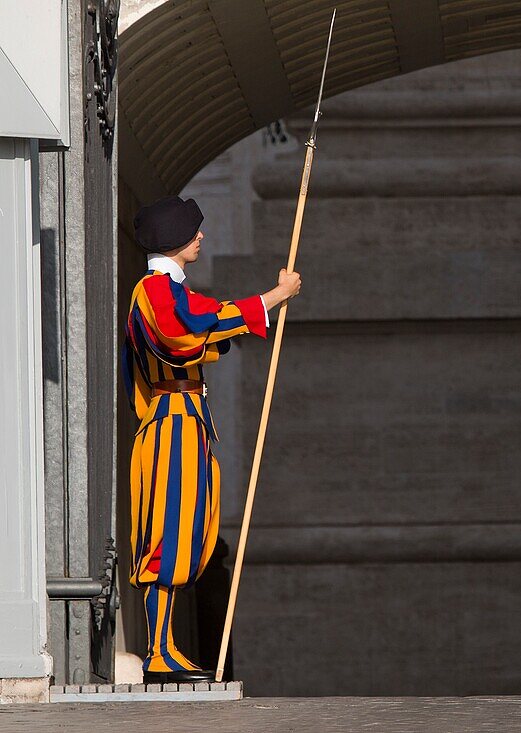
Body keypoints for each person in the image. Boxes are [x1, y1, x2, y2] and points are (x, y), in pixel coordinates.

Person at [122, 195, 301, 683]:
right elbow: (193, 326)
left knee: (186, 537)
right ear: (175, 240)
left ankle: (166, 646)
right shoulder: (155, 291)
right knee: (168, 536)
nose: (201, 236)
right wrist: (272, 297)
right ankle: (159, 651)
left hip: (186, 422)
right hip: (171, 425)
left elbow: (205, 325)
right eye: (193, 230)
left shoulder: (169, 291)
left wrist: (249, 314)